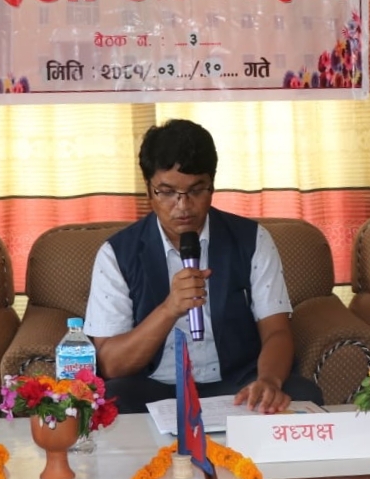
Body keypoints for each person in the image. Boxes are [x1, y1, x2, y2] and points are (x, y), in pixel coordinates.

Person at [84, 119, 323, 414]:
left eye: (196, 190)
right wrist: (169, 308)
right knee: (107, 402)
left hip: (237, 382)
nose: (183, 206)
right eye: (167, 192)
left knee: (303, 394)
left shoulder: (252, 240)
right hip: (154, 385)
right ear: (148, 190)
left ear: (212, 185)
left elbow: (276, 331)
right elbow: (111, 363)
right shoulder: (116, 254)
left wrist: (269, 380)